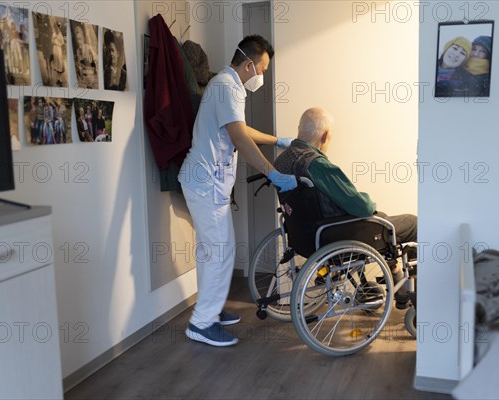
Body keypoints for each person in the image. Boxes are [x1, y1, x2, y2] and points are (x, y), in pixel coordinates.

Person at [177, 35, 297, 347]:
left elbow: (240, 130)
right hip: (205, 183)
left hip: (203, 182)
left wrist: (275, 140)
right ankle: (202, 323)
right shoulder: (227, 88)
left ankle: (209, 312)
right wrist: (273, 172)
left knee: (211, 252)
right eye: (262, 69)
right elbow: (240, 140)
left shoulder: (225, 85)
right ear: (248, 64)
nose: (262, 76)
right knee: (220, 252)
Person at [273, 107, 417, 307]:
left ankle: (397, 283)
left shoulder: (282, 160)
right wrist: (368, 200)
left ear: (300, 129)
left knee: (383, 220)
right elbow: (363, 207)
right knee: (412, 223)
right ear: (325, 136)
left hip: (304, 235)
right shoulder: (316, 164)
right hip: (334, 234)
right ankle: (414, 293)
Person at [73, 23, 98, 89]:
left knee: (91, 85)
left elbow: (95, 57)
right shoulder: (78, 50)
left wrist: (92, 58)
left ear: (83, 38)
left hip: (90, 72)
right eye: (77, 39)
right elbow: (79, 63)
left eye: (80, 39)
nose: (79, 42)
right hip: (84, 74)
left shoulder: (88, 47)